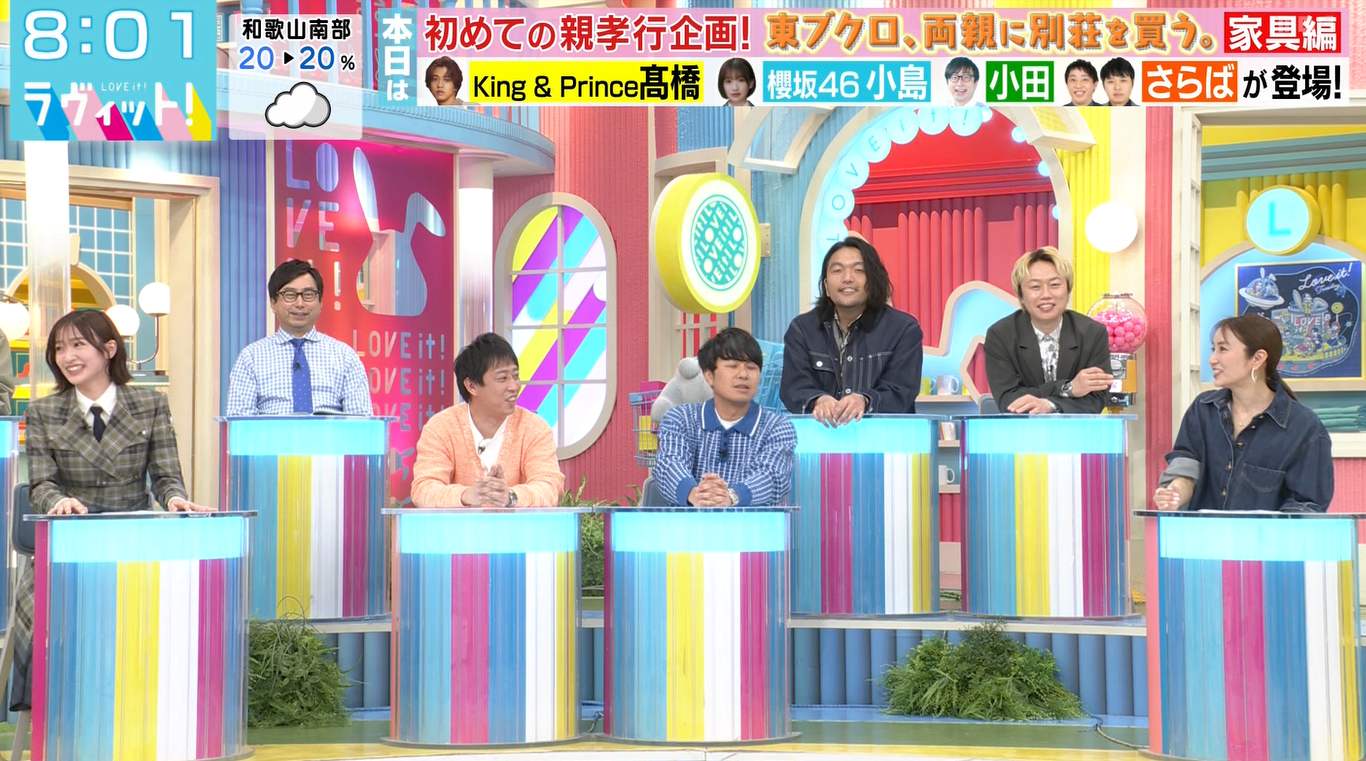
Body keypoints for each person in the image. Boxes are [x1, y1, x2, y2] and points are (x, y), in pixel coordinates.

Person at [11, 309, 212, 710]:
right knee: (41, 615)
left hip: (132, 541)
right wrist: (59, 502)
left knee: (167, 614)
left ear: (109, 349)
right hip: (69, 543)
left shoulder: (150, 404)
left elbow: (166, 477)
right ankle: (57, 713)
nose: (67, 356)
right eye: (59, 348)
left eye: (78, 345)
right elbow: (41, 485)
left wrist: (175, 499)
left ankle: (150, 708)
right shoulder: (43, 413)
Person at [1153, 315, 1332, 512]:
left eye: (1223, 349)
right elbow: (1187, 465)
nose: (1212, 359)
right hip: (1201, 532)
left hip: (1267, 534)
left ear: (1258, 358)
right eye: (1213, 349)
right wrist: (1175, 492)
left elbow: (1306, 506)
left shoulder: (1304, 427)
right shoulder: (1203, 409)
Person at [781, 236, 923, 425]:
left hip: (884, 436)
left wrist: (864, 400)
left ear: (873, 281)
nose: (847, 278)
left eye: (859, 270)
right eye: (837, 270)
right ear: (826, 286)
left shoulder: (904, 329)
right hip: (822, 437)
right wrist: (818, 400)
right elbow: (793, 387)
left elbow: (902, 391)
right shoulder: (802, 329)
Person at [411, 332, 564, 507]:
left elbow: (550, 487)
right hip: (459, 526)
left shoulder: (534, 428)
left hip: (518, 525)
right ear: (472, 386)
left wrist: (510, 497)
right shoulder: (441, 427)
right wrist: (465, 495)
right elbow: (423, 489)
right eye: (502, 378)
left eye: (515, 376)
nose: (514, 386)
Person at [654, 328, 796, 507]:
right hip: (689, 523)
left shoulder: (778, 427)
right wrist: (695, 494)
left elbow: (773, 475)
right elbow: (669, 462)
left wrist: (731, 497)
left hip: (751, 524)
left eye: (751, 367)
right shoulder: (680, 418)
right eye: (733, 366)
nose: (743, 374)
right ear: (709, 376)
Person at [226, 259, 372, 416]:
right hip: (271, 433)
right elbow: (239, 421)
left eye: (308, 295)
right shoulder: (251, 358)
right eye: (290, 295)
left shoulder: (345, 357)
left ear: (320, 302)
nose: (300, 303)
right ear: (273, 302)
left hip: (329, 432)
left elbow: (361, 421)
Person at [984, 247, 1113, 414]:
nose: (1046, 295)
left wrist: (1050, 404)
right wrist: (1068, 388)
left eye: (1054, 285)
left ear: (1068, 289)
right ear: (1021, 295)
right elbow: (1008, 400)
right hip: (1023, 428)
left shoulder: (1092, 333)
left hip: (1078, 428)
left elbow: (1097, 399)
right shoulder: (1001, 335)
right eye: (1035, 287)